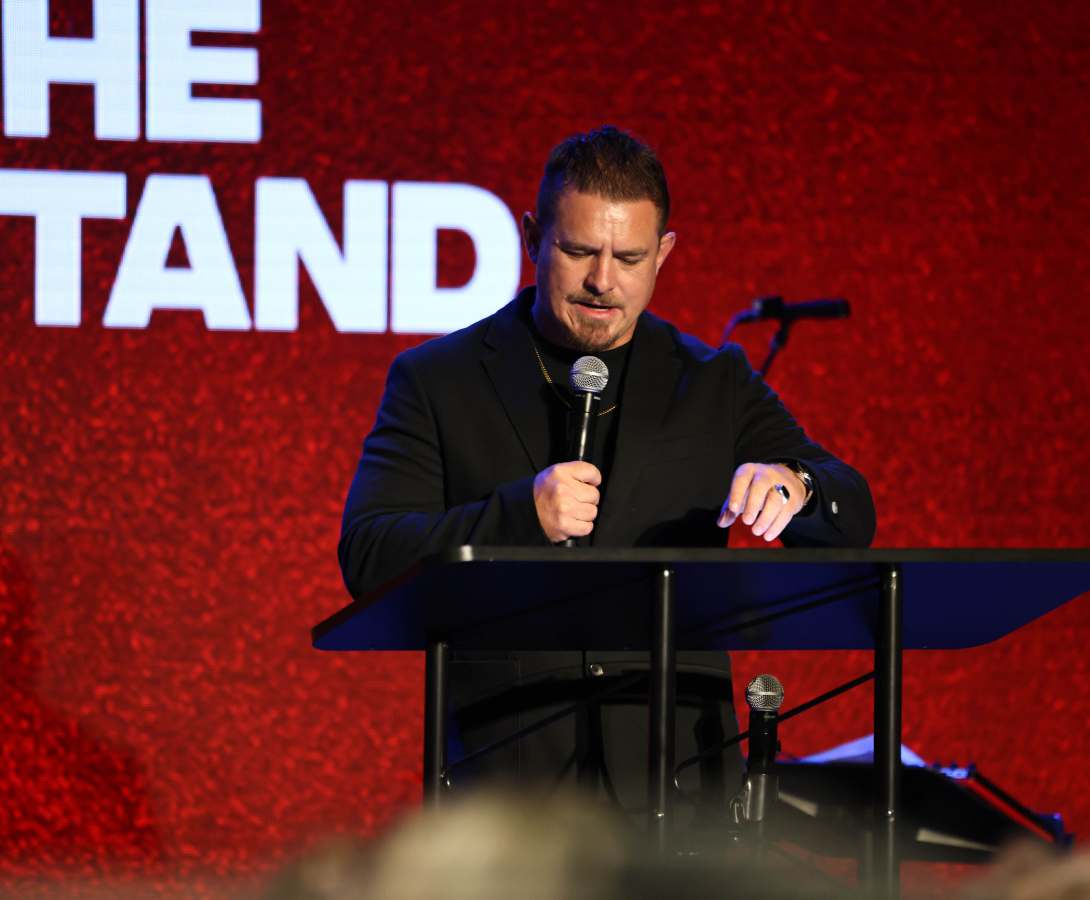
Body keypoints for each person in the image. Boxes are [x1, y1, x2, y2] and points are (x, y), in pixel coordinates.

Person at [337, 126, 876, 824]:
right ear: (532, 237)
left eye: (629, 257)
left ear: (664, 254)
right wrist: (518, 516)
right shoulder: (438, 380)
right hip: (509, 793)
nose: (603, 280)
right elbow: (370, 552)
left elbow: (851, 510)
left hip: (679, 784)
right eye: (577, 251)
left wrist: (795, 486)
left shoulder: (712, 382)